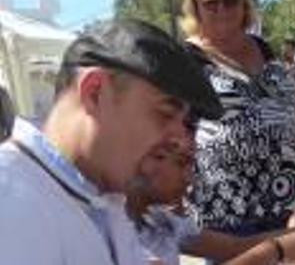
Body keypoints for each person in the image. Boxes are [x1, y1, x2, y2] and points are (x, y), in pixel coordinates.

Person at [0, 19, 223, 264]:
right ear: (95, 92)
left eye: (184, 121)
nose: (179, 140)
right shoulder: (12, 200)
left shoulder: (103, 202)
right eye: (165, 113)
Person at [180, 0, 295, 237]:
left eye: (230, 0)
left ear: (244, 4)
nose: (222, 9)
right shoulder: (186, 60)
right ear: (196, 8)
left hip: (293, 204)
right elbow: (174, 133)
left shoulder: (262, 47)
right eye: (211, 3)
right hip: (227, 212)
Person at [128, 129, 295, 265]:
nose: (191, 179)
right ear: (145, 158)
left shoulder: (159, 220)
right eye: (181, 163)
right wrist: (277, 249)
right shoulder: (119, 229)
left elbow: (233, 246)